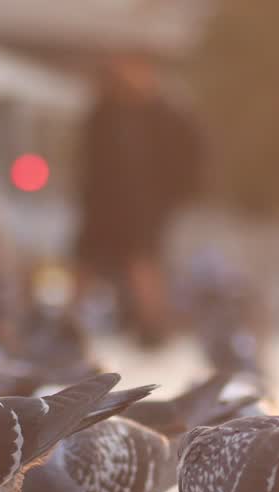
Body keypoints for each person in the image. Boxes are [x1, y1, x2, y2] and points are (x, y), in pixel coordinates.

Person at [71, 51, 204, 349]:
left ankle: (153, 326)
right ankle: (68, 326)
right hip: (102, 206)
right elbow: (90, 161)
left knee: (143, 264)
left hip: (142, 206)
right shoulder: (104, 112)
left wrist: (173, 197)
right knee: (87, 263)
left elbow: (186, 159)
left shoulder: (163, 114)